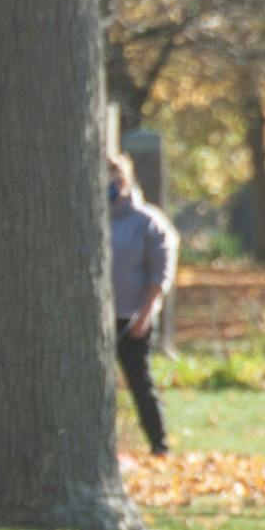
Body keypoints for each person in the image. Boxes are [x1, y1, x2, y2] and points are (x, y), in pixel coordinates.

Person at [108, 152, 178, 456]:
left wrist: (145, 314)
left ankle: (159, 445)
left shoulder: (148, 222)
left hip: (133, 318)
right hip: (97, 318)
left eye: (114, 179)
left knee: (140, 383)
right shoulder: (91, 219)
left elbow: (160, 273)